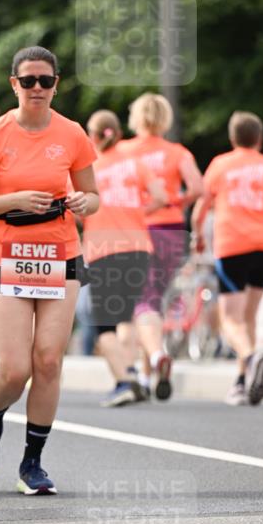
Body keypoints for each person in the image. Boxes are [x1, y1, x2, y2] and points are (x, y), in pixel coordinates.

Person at [0, 46, 98, 494]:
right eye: (28, 81)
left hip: (60, 256)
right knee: (15, 368)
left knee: (48, 362)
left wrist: (83, 202)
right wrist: (15, 200)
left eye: (45, 80)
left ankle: (32, 463)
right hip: (5, 255)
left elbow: (94, 195)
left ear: (56, 83)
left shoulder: (73, 133)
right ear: (13, 84)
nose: (36, 88)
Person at [120, 93, 204, 398]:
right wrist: (175, 202)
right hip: (171, 228)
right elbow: (198, 188)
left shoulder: (123, 150)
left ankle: (156, 356)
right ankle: (145, 374)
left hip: (136, 227)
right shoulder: (177, 152)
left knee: (142, 301)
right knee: (153, 298)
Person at [83, 110, 167, 406]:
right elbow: (161, 197)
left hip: (104, 249)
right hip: (138, 247)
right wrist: (135, 214)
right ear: (118, 131)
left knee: (103, 325)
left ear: (92, 136)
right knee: (127, 315)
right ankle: (133, 369)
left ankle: (124, 381)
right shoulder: (136, 162)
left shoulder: (89, 167)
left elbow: (78, 207)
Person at [192, 111, 263, 405]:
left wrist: (197, 235)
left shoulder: (221, 164)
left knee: (230, 319)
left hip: (232, 246)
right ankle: (242, 381)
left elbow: (202, 204)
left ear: (232, 139)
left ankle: (250, 359)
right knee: (247, 315)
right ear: (259, 139)